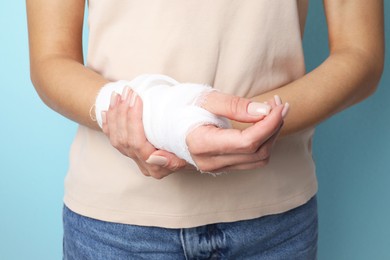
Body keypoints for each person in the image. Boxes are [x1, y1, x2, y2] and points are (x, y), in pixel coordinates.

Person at [26, 0, 384, 259]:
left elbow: (361, 53)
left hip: (275, 225)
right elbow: (50, 60)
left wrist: (228, 123)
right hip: (117, 229)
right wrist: (165, 120)